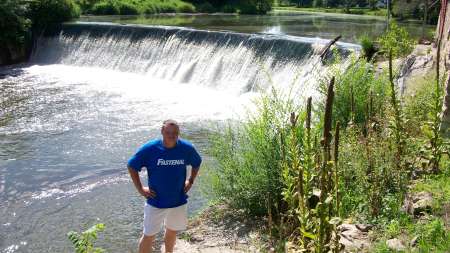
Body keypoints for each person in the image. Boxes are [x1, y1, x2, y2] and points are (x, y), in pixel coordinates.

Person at [127, 119, 202, 253]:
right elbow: (132, 166)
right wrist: (140, 189)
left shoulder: (186, 148)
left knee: (172, 231)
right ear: (162, 132)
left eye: (175, 133)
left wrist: (190, 181)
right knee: (149, 235)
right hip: (156, 202)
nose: (171, 136)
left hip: (178, 201)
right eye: (168, 132)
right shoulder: (150, 149)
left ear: (178, 133)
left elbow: (197, 162)